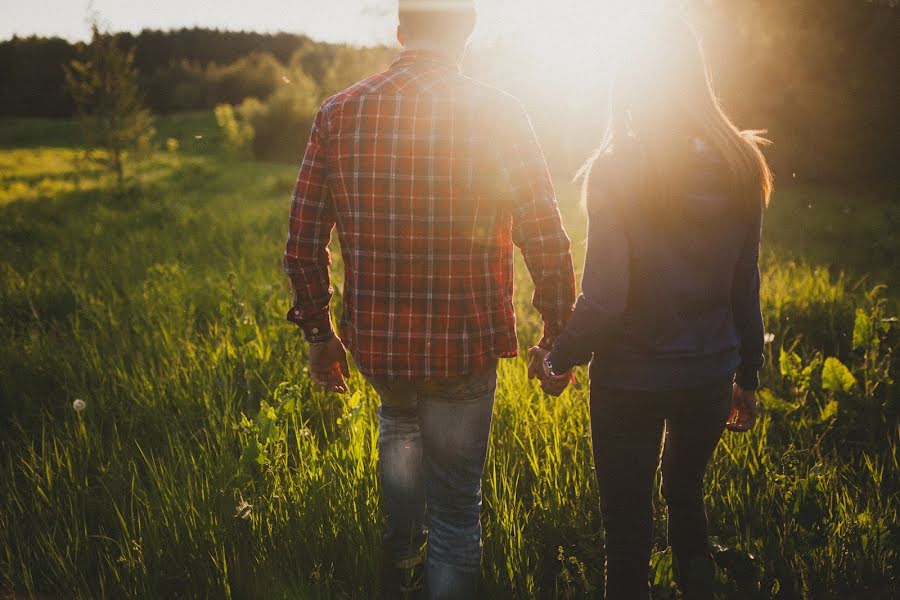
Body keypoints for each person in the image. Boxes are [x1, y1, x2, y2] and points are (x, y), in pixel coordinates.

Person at [283, 0, 576, 597]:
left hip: (380, 346)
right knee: (455, 517)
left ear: (400, 30)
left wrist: (320, 336)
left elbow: (303, 239)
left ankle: (398, 581)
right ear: (466, 34)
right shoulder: (500, 113)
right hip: (463, 344)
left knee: (399, 428)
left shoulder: (338, 113)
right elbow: (544, 231)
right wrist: (557, 333)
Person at [532, 12, 772, 600]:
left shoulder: (618, 169)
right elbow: (746, 284)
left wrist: (558, 359)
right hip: (710, 377)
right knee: (686, 500)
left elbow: (606, 298)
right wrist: (748, 375)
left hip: (629, 383)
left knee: (626, 532)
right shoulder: (743, 163)